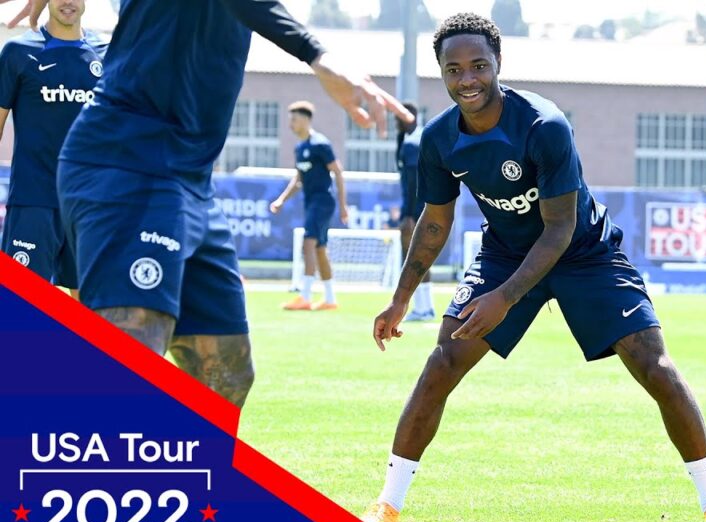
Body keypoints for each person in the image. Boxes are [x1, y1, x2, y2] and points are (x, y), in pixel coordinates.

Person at [363, 13, 706, 522]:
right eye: (454, 70)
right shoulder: (438, 139)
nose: (468, 79)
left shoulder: (543, 125)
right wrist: (401, 298)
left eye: (478, 65)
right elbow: (435, 221)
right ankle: (387, 506)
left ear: (498, 63)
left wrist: (504, 297)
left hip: (584, 252)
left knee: (653, 365)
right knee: (443, 361)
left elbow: (560, 229)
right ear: (442, 73)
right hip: (505, 254)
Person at [6, 0, 412, 407]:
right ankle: (49, 441)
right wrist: (316, 53)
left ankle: (171, 453)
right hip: (126, 160)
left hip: (192, 180)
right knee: (133, 354)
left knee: (227, 375)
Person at [0, 0, 105, 298]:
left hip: (88, 204)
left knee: (91, 312)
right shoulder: (18, 52)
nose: (67, 1)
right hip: (33, 201)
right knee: (21, 310)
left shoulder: (108, 53)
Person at [271, 100, 347, 312]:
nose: (290, 124)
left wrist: (343, 205)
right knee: (320, 248)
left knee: (308, 242)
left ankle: (305, 296)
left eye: (294, 120)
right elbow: (298, 180)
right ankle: (330, 298)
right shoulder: (300, 148)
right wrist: (281, 200)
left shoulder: (320, 144)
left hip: (323, 201)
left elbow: (338, 172)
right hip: (311, 202)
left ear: (306, 120)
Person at [395, 102, 434, 321]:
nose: (395, 122)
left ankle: (423, 308)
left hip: (416, 208)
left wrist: (409, 214)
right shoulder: (409, 140)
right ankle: (424, 306)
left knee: (416, 256)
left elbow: (413, 182)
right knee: (418, 255)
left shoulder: (412, 144)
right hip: (418, 206)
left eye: (398, 117)